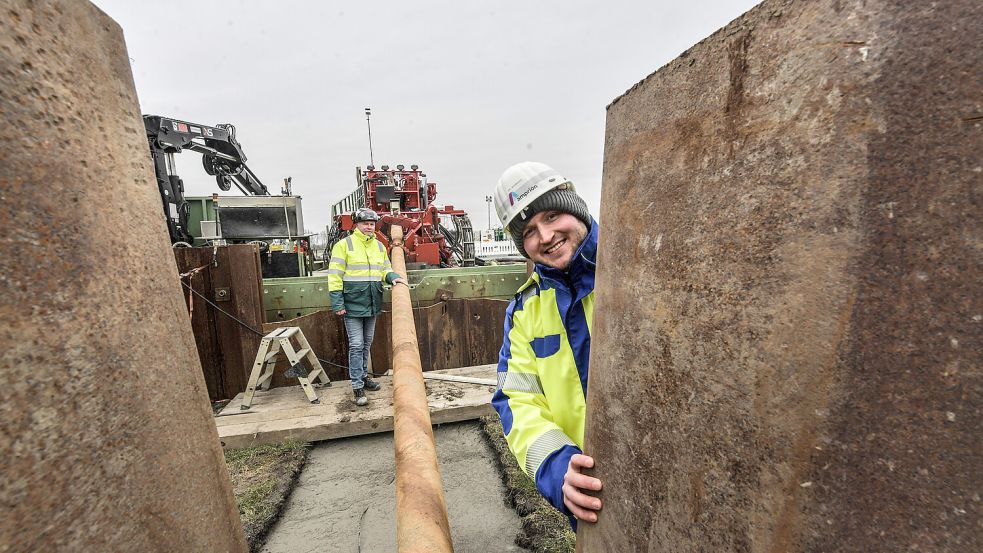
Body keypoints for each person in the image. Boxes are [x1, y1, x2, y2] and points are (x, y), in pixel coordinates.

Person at [490, 161, 603, 528]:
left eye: (553, 215)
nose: (546, 236)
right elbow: (517, 400)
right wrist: (560, 470)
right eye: (529, 231)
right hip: (591, 495)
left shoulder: (637, 265)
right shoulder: (525, 312)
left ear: (576, 207)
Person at [327, 208, 406, 406]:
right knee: (356, 345)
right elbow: (335, 276)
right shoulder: (343, 246)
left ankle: (363, 377)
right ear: (357, 225)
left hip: (372, 302)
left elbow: (384, 269)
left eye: (372, 224)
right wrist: (338, 303)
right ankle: (357, 386)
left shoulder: (379, 246)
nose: (369, 227)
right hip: (352, 303)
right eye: (365, 223)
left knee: (366, 343)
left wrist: (392, 277)